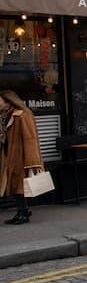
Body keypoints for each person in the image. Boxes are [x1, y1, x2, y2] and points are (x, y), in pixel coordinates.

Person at [0, 90, 44, 225]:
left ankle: (23, 213)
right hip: (9, 154)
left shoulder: (23, 115)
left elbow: (30, 139)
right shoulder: (5, 116)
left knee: (18, 186)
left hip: (21, 156)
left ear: (8, 101)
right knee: (14, 185)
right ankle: (23, 211)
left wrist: (32, 161)